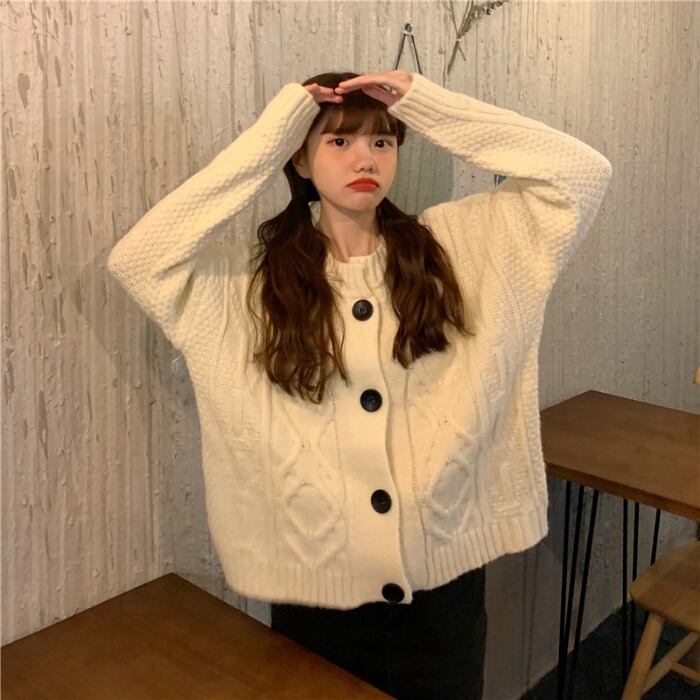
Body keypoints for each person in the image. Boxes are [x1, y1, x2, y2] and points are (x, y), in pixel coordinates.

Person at [107, 69, 612, 700]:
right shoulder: (248, 285)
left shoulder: (459, 248)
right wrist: (273, 134)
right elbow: (139, 259)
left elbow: (580, 173)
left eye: (382, 142)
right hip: (316, 599)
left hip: (442, 593)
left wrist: (427, 104)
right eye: (338, 141)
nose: (365, 159)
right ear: (300, 156)